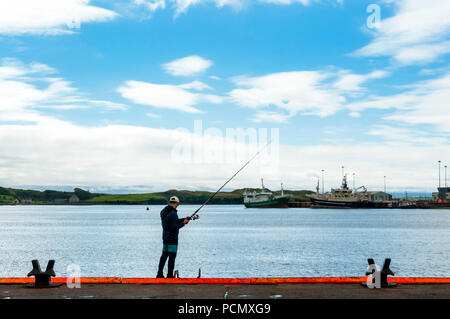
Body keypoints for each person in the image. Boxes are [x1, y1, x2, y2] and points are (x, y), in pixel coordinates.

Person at [156, 196, 191, 278]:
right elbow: (174, 227)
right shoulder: (173, 213)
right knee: (172, 257)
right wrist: (184, 223)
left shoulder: (164, 212)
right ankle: (170, 275)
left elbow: (172, 222)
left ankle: (159, 274)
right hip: (172, 239)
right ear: (178, 204)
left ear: (169, 203)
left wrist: (184, 219)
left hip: (165, 238)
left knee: (164, 256)